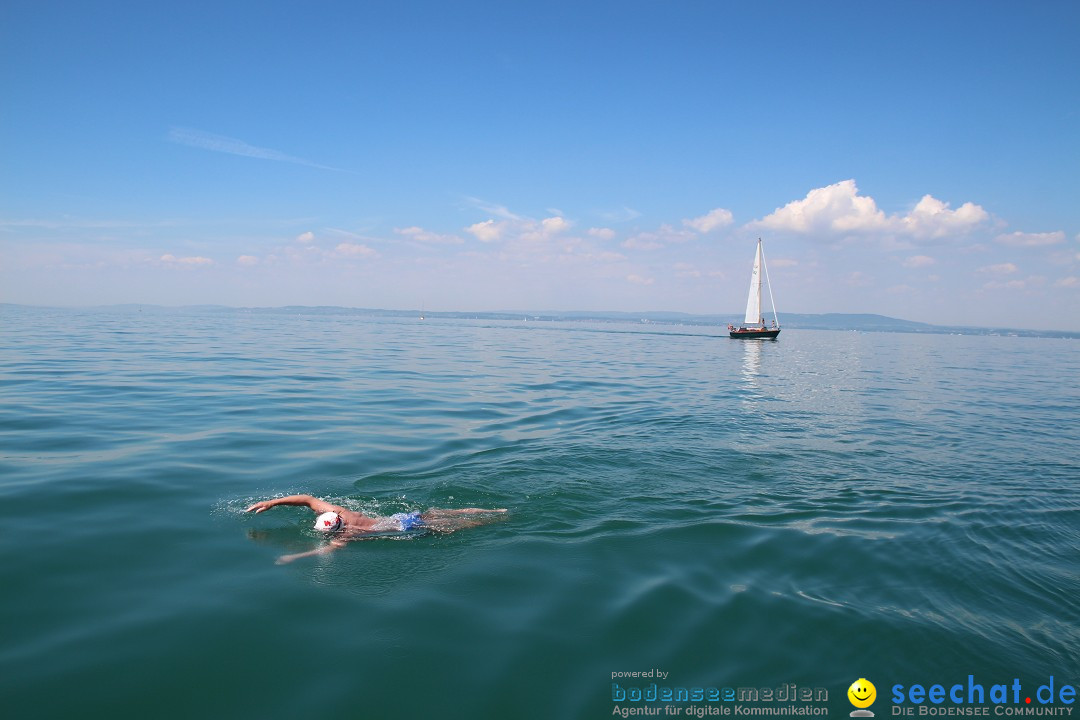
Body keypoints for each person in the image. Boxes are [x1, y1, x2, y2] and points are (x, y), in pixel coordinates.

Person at [245, 494, 507, 563]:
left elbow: (325, 553)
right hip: (401, 517)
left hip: (406, 529)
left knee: (451, 528)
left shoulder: (346, 535)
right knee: (441, 513)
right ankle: (493, 512)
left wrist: (295, 556)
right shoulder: (341, 512)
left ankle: (491, 520)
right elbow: (307, 498)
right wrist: (272, 502)